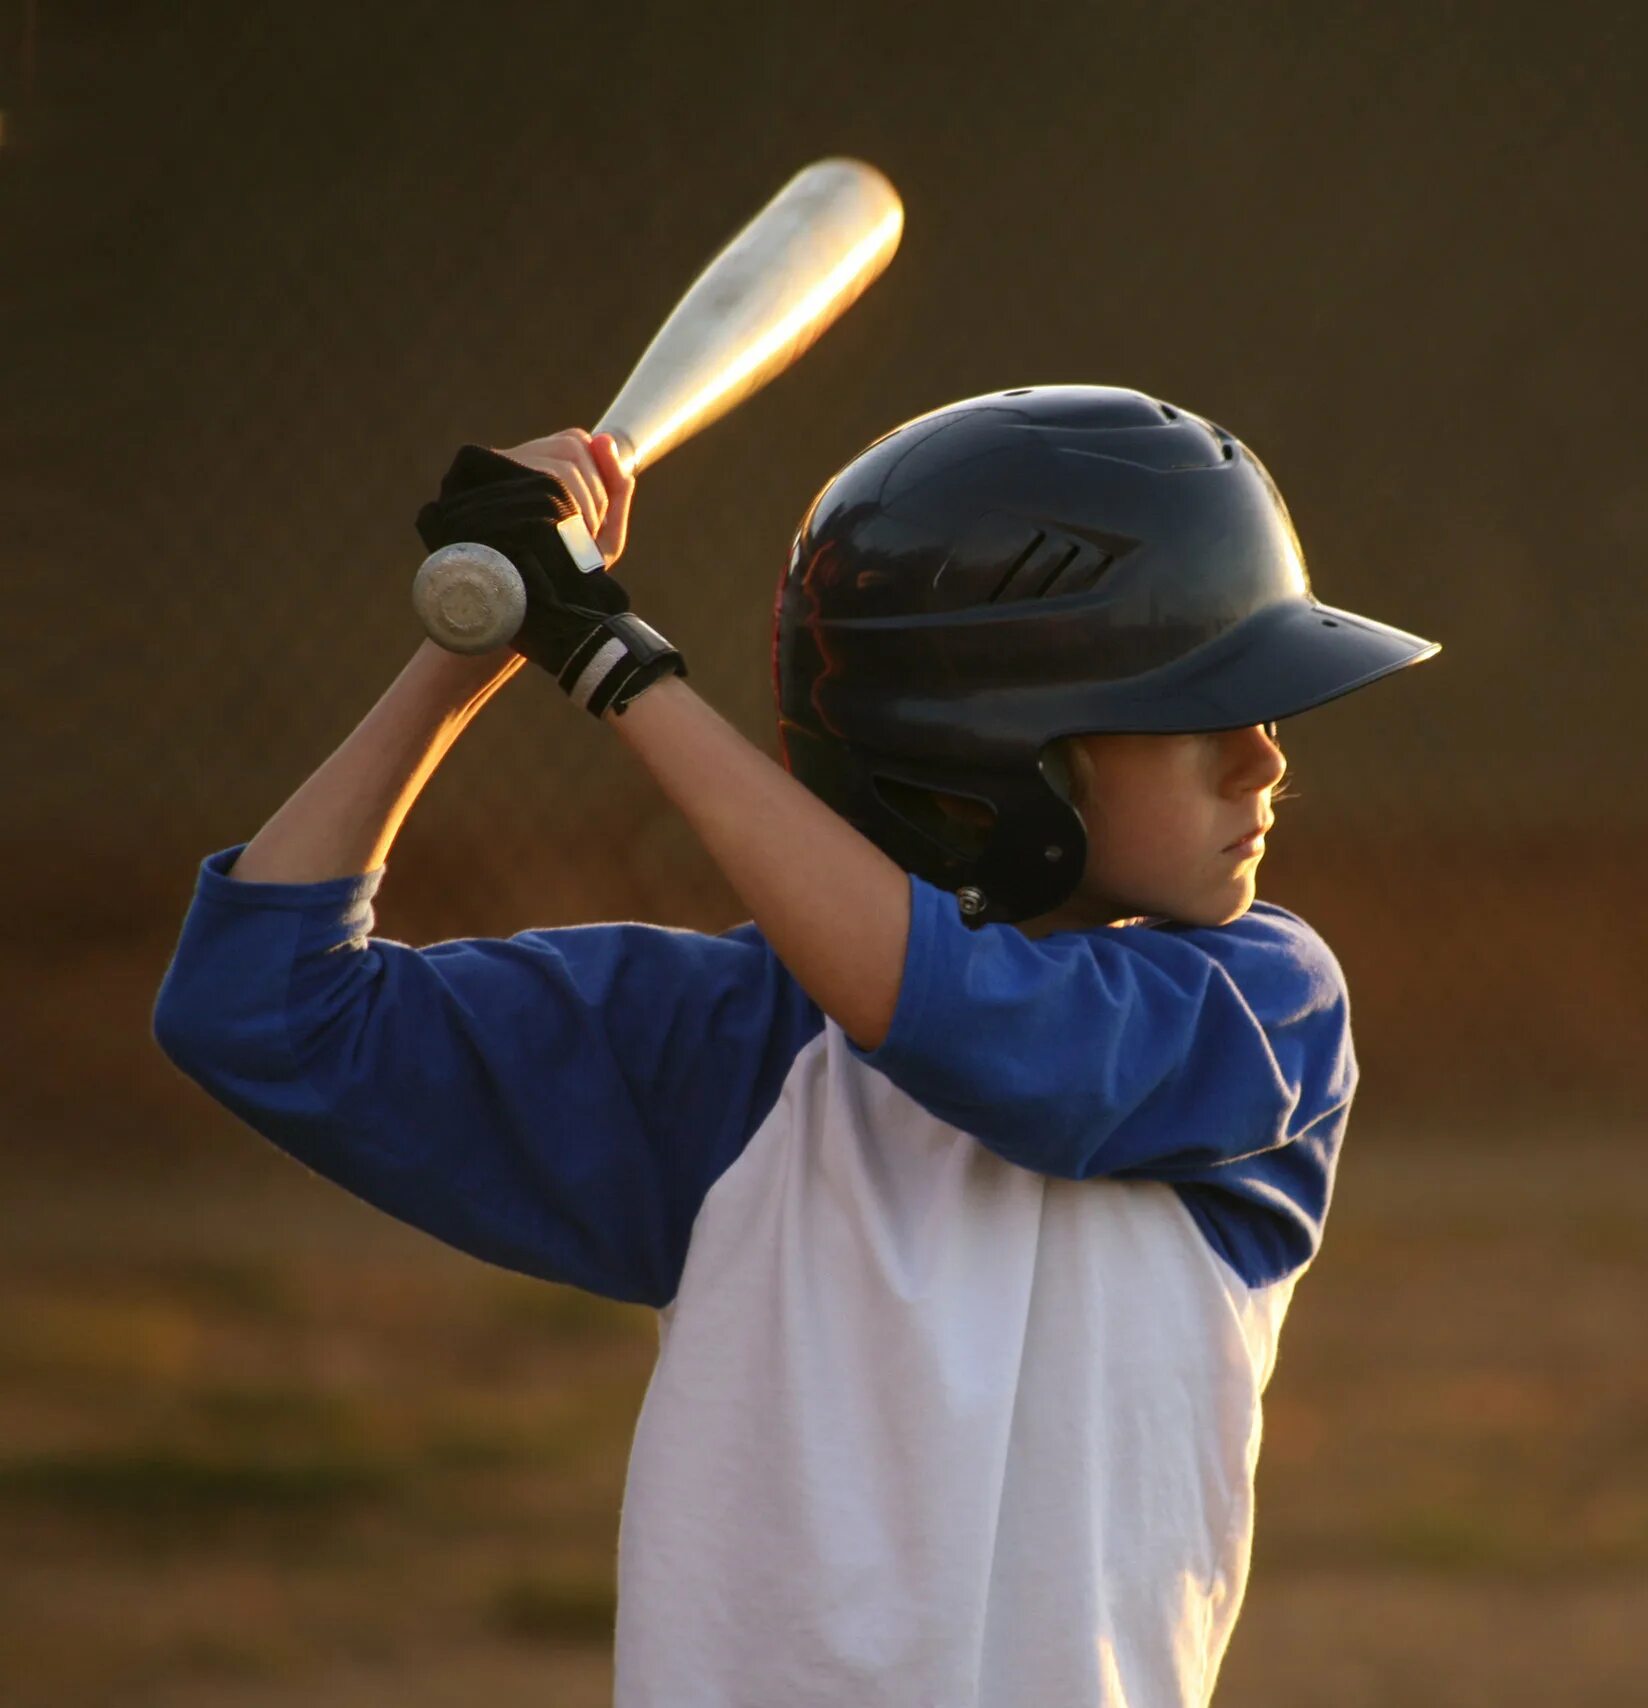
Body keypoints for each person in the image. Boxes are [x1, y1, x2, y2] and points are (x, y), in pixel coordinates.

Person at [152, 385, 1439, 1708]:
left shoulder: (1262, 1006)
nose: (1265, 764)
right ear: (998, 758)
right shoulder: (721, 1051)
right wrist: (474, 637)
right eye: (1201, 717)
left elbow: (997, 1047)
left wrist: (611, 664)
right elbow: (257, 1006)